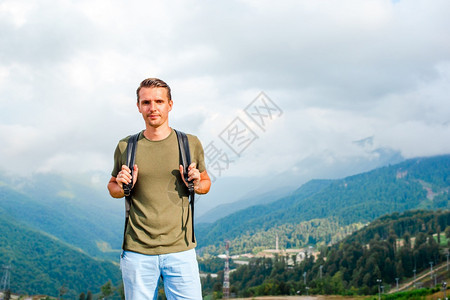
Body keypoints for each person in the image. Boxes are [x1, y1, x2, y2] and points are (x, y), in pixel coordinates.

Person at [107, 78, 211, 299]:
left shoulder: (189, 143)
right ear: (138, 107)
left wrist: (196, 183)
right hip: (137, 252)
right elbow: (112, 187)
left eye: (159, 101)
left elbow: (206, 183)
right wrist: (123, 185)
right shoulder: (126, 146)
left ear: (170, 104)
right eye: (146, 102)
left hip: (181, 250)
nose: (152, 108)